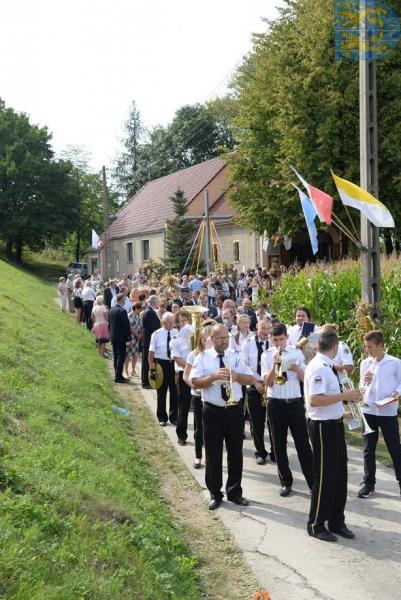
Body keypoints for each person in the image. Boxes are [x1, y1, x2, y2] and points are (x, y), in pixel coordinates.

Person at [304, 331, 361, 542]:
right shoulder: (319, 367)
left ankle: (337, 521)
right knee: (325, 477)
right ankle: (316, 524)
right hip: (322, 428)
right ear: (335, 348)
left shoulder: (326, 366)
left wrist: (343, 412)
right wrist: (345, 396)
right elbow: (315, 400)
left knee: (339, 476)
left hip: (333, 424)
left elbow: (327, 400)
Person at [190, 324, 254, 510]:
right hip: (213, 410)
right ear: (212, 338)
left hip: (234, 409)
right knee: (213, 452)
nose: (223, 341)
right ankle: (215, 493)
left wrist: (236, 375)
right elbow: (194, 382)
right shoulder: (202, 357)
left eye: (226, 338)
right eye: (219, 338)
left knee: (235, 452)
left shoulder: (235, 355)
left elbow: (250, 379)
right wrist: (213, 376)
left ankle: (234, 492)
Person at [261, 322, 314, 495]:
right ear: (270, 338)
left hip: (294, 402)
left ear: (287, 337)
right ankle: (285, 481)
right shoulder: (266, 355)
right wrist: (273, 366)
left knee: (303, 444)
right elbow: (266, 383)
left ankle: (313, 482)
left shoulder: (297, 353)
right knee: (279, 444)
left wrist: (297, 369)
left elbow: (307, 379)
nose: (278, 343)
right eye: (275, 340)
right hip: (275, 402)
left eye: (281, 339)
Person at [358, 330, 401, 499]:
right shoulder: (365, 363)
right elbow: (361, 389)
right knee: (369, 449)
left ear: (380, 346)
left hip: (388, 411)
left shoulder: (395, 362)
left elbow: (400, 382)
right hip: (369, 410)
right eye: (366, 347)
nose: (368, 350)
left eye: (370, 347)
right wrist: (364, 381)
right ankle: (369, 484)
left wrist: (397, 392)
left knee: (394, 448)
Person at [243, 318, 274, 465]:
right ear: (257, 327)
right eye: (263, 328)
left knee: (274, 421)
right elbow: (244, 365)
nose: (266, 332)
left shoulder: (273, 343)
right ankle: (260, 452)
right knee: (257, 422)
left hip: (272, 386)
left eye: (268, 328)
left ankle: (275, 450)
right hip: (254, 386)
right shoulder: (248, 344)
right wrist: (255, 382)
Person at [183, 325, 213, 469]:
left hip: (212, 397)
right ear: (200, 340)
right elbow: (185, 375)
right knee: (199, 428)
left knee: (212, 429)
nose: (207, 342)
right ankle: (198, 456)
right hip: (197, 396)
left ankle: (210, 455)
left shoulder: (216, 355)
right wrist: (195, 386)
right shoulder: (193, 355)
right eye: (205, 340)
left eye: (210, 340)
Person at [148, 312, 178, 426]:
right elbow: (151, 352)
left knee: (174, 391)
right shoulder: (156, 334)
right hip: (160, 363)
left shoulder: (177, 333)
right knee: (161, 391)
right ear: (164, 322)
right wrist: (151, 368)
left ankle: (174, 416)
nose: (172, 323)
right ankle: (162, 417)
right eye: (169, 321)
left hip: (174, 363)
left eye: (173, 321)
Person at [171, 310, 193, 445]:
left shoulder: (195, 337)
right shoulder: (176, 339)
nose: (184, 324)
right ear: (177, 323)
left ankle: (199, 436)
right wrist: (192, 368)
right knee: (183, 406)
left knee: (197, 406)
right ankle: (181, 435)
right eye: (182, 321)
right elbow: (178, 360)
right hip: (183, 373)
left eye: (186, 321)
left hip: (196, 374)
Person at [109, 293, 132, 384]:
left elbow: (110, 324)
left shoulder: (112, 310)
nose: (125, 301)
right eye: (124, 299)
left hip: (113, 336)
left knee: (116, 356)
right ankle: (118, 376)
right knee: (121, 357)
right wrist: (128, 337)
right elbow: (126, 326)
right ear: (121, 299)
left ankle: (117, 374)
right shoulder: (122, 311)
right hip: (121, 337)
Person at [141, 295, 160, 389]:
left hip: (149, 340)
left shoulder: (150, 311)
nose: (159, 304)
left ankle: (146, 381)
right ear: (154, 302)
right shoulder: (149, 312)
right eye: (158, 302)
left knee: (147, 361)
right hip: (148, 340)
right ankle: (145, 382)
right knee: (146, 362)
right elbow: (153, 327)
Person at [124, 302, 143, 378]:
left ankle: (133, 370)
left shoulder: (138, 316)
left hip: (137, 339)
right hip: (130, 339)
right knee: (128, 356)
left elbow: (140, 327)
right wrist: (136, 334)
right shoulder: (129, 316)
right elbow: (129, 327)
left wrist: (140, 335)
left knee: (135, 355)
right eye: (139, 309)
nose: (140, 311)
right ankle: (126, 371)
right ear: (136, 308)